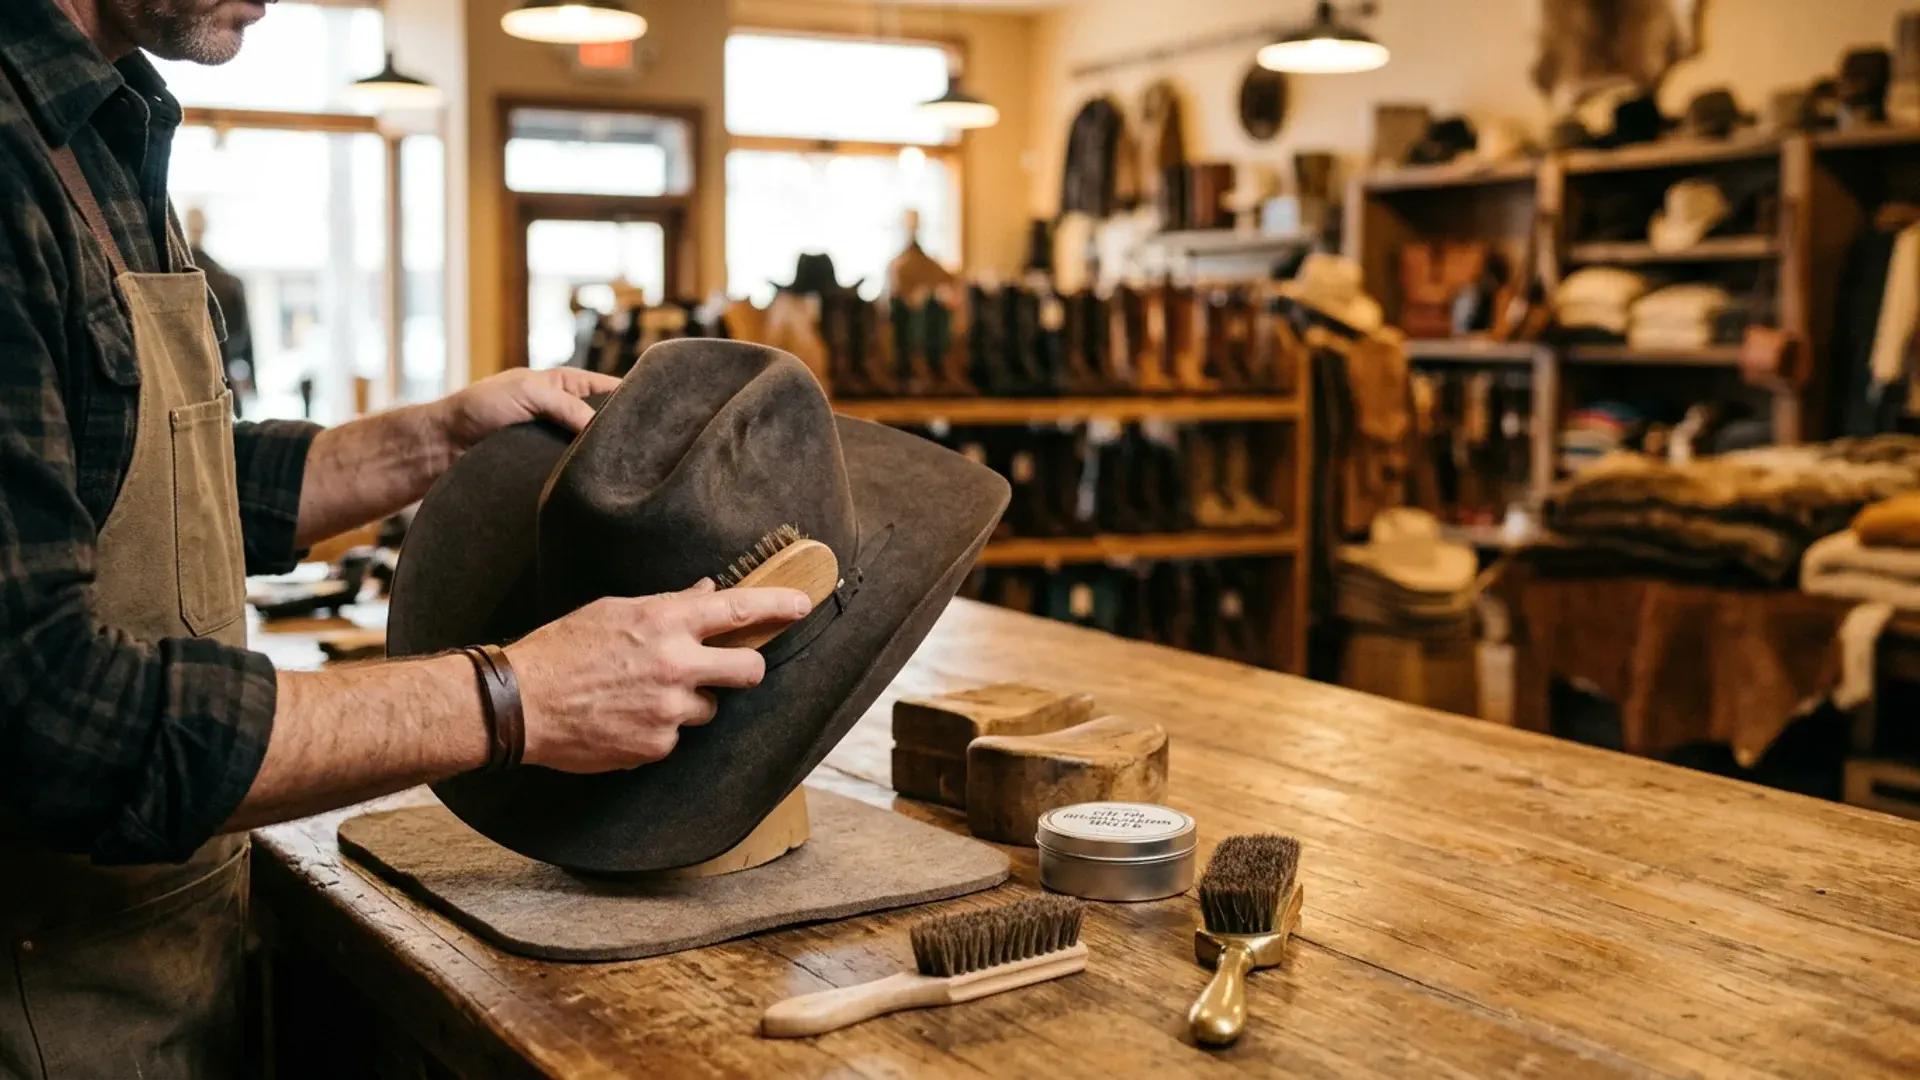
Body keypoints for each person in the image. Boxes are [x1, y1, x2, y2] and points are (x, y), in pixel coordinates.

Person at [0, 1, 813, 1076]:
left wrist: (438, 439)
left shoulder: (100, 123)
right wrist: (515, 697)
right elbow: (47, 711)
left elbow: (153, 482)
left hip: (147, 970)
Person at [184, 206, 254, 413]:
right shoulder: (229, 282)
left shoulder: (173, 281)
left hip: (182, 396)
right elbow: (243, 341)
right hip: (223, 386)